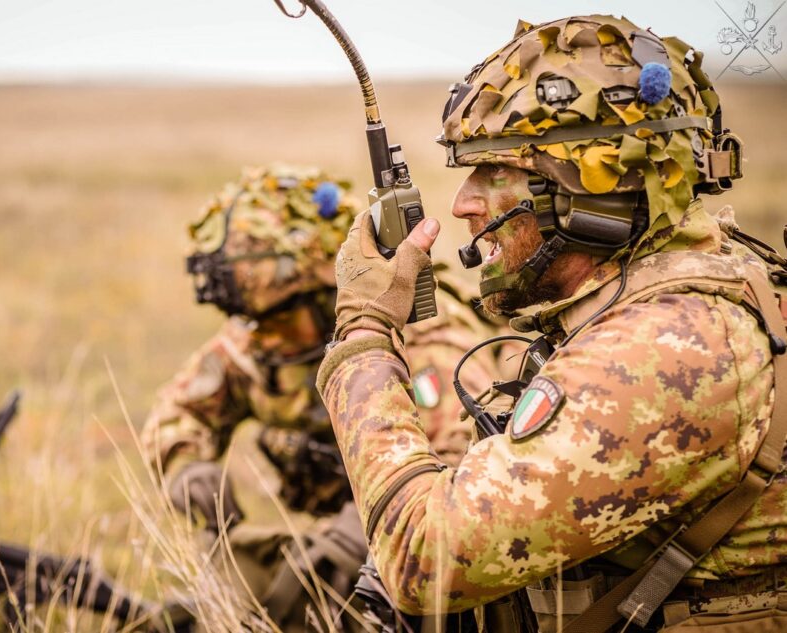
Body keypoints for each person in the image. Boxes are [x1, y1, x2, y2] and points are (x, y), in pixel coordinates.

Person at [317, 15, 787, 633]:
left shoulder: (667, 346)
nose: (462, 203)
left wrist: (365, 332)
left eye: (494, 173)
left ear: (585, 192)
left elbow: (425, 561)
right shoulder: (655, 299)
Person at [141, 165, 515, 631]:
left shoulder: (426, 338)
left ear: (326, 298)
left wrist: (365, 527)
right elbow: (178, 412)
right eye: (248, 322)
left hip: (425, 559)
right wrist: (184, 466)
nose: (262, 339)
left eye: (275, 322)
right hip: (338, 548)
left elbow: (462, 475)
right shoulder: (261, 342)